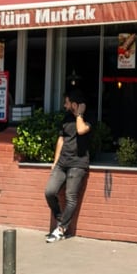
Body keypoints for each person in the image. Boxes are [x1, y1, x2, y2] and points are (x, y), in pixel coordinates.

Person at [44, 88, 92, 242]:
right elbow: (61, 139)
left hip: (78, 164)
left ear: (74, 104)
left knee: (71, 197)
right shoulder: (65, 118)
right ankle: (61, 219)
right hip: (62, 163)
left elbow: (81, 130)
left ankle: (61, 230)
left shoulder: (88, 117)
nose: (64, 105)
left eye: (66, 102)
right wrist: (55, 161)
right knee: (49, 192)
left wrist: (79, 114)